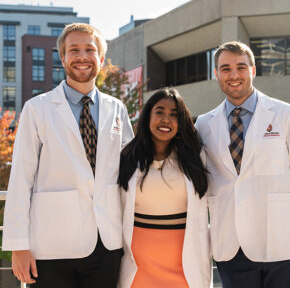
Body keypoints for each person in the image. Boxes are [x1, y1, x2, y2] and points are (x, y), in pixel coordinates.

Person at [2, 23, 133, 288]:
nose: (82, 56)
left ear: (101, 58)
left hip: (106, 243)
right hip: (52, 246)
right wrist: (18, 246)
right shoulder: (37, 109)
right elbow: (21, 179)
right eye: (74, 50)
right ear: (63, 58)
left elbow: (132, 171)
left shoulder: (117, 109)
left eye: (90, 50)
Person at [195, 41, 290, 288]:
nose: (234, 75)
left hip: (280, 241)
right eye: (225, 68)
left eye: (241, 67)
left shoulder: (283, 114)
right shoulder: (203, 124)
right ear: (216, 74)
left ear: (253, 70)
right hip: (230, 243)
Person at [118, 88, 211, 288]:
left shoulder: (196, 157)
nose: (166, 120)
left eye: (174, 115)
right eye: (159, 112)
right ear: (148, 116)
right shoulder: (127, 156)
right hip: (138, 268)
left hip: (185, 268)